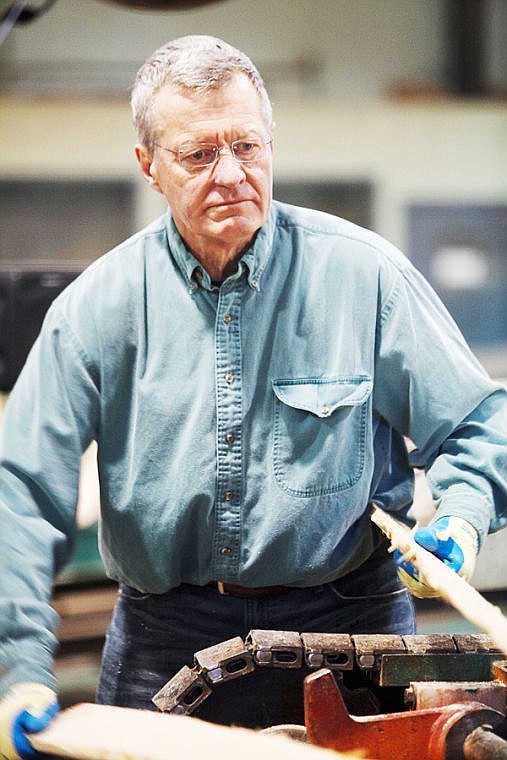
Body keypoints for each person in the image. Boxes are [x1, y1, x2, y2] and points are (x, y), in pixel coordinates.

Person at [0, 34, 506, 757]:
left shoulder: (364, 280)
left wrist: (458, 518)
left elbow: (477, 427)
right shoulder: (98, 310)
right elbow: (21, 493)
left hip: (351, 620)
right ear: (149, 165)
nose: (231, 174)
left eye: (247, 145)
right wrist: (20, 665)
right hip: (164, 632)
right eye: (199, 155)